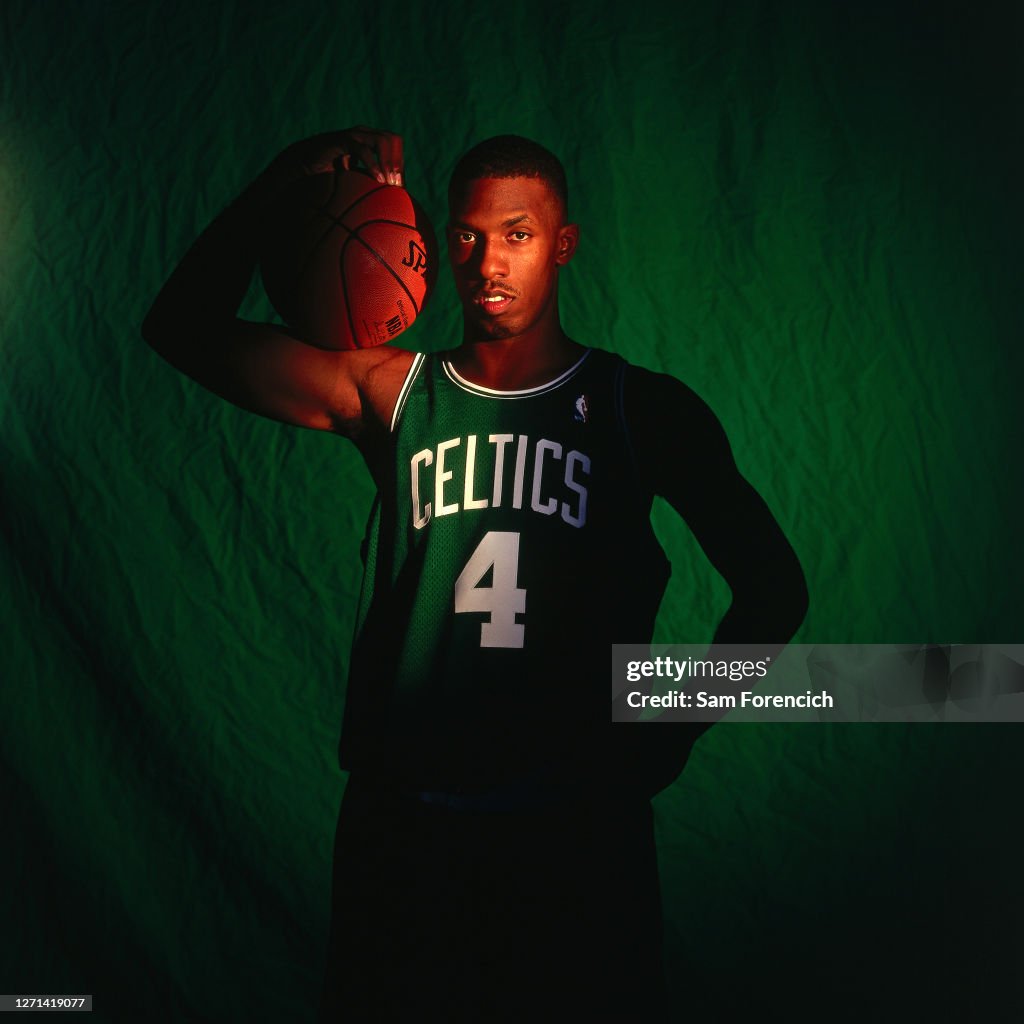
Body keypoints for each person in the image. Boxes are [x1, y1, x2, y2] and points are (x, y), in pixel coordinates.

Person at [142, 126, 808, 1021]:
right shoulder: (391, 390)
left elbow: (774, 589)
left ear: (562, 244)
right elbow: (180, 329)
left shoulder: (638, 410)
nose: (488, 260)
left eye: (518, 234)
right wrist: (278, 183)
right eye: (465, 235)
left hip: (577, 839)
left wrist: (672, 726)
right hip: (406, 832)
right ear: (438, 241)